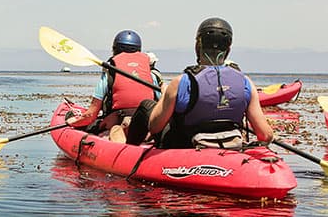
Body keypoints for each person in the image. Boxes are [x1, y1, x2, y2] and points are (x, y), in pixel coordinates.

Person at [127, 17, 276, 149]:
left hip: (184, 147)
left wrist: (165, 94)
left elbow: (154, 127)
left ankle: (128, 153)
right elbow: (265, 135)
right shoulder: (245, 83)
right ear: (228, 49)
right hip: (228, 144)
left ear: (198, 46)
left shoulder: (181, 82)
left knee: (146, 105)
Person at [64, 30, 160, 143]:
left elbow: (91, 114)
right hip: (145, 123)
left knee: (91, 126)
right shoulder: (151, 74)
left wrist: (73, 121)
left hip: (117, 120)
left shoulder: (110, 73)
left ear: (115, 49)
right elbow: (161, 105)